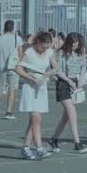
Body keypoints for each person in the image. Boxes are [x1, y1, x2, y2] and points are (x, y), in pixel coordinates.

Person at [15, 32, 57, 160]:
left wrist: (46, 75)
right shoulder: (29, 52)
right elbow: (18, 68)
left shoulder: (50, 52)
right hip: (30, 88)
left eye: (47, 47)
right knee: (36, 118)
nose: (45, 49)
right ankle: (39, 148)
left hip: (42, 88)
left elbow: (55, 68)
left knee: (35, 120)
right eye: (43, 46)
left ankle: (25, 148)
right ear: (37, 42)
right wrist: (30, 77)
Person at [47, 33, 87, 154]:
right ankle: (77, 142)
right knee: (72, 113)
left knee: (66, 117)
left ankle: (54, 139)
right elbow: (57, 70)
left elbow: (83, 67)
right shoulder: (60, 53)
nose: (75, 47)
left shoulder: (81, 52)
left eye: (77, 45)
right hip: (63, 83)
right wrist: (69, 80)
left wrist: (81, 78)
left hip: (74, 83)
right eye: (73, 45)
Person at [0, 20, 23, 120]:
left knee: (0, 88)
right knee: (11, 89)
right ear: (13, 28)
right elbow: (20, 54)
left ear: (4, 27)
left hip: (1, 66)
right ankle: (8, 112)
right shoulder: (17, 39)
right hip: (13, 67)